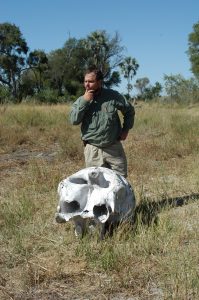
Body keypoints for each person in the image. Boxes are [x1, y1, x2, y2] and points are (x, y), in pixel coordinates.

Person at [69, 66, 135, 178]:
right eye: (85, 81)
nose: (87, 84)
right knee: (95, 183)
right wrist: (85, 101)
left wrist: (125, 130)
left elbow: (129, 111)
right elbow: (74, 120)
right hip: (93, 149)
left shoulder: (112, 96)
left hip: (113, 146)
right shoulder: (81, 100)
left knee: (121, 180)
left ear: (99, 82)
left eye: (91, 81)